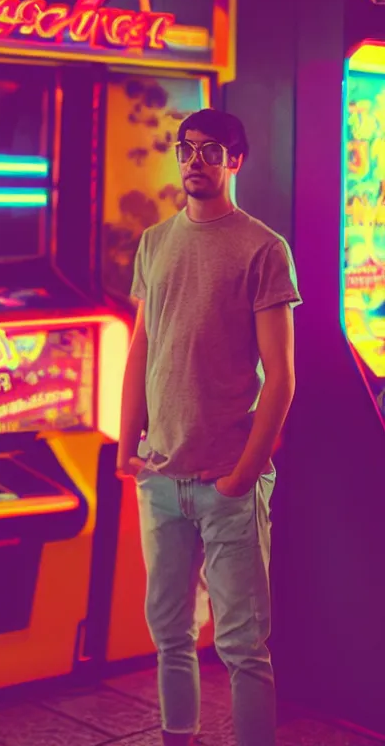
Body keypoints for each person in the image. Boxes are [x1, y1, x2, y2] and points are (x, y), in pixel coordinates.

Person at [116, 108, 302, 746]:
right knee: (169, 636)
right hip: (160, 478)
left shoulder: (262, 247)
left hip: (227, 479)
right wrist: (126, 445)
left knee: (243, 645)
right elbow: (142, 346)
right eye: (186, 148)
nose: (195, 160)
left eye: (210, 150)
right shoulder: (156, 242)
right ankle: (178, 737)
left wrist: (240, 479)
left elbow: (282, 377)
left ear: (235, 160)